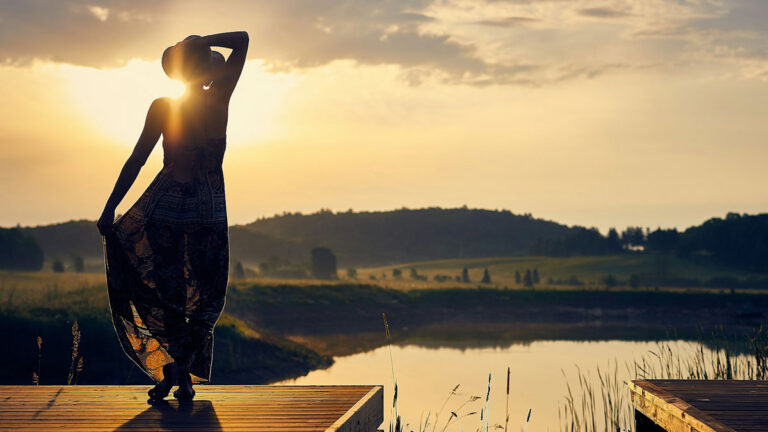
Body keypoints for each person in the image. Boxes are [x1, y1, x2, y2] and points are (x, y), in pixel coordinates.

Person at [97, 31, 249, 400]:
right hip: (205, 213)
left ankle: (177, 375)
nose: (216, 61)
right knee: (206, 299)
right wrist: (197, 39)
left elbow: (137, 160)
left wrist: (111, 206)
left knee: (173, 299)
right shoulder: (218, 100)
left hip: (165, 210)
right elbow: (242, 40)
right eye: (208, 56)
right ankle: (179, 373)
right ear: (200, 68)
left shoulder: (165, 105)